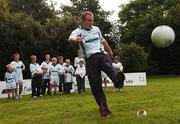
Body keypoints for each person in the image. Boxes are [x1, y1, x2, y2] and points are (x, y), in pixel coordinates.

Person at [68, 11, 121, 117]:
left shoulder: (96, 29)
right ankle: (104, 109)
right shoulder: (78, 31)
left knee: (107, 66)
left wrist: (110, 51)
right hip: (90, 59)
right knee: (95, 86)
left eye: (92, 20)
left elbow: (103, 40)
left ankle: (118, 80)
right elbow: (70, 38)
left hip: (102, 55)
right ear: (83, 20)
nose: (91, 23)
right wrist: (76, 40)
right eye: (89, 20)